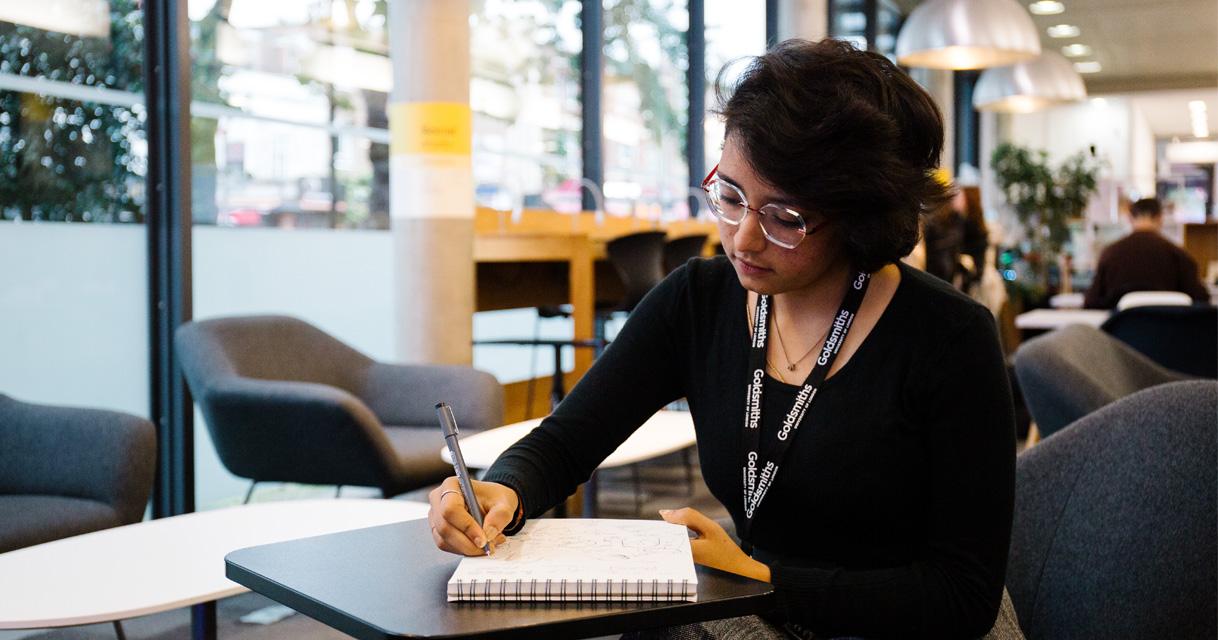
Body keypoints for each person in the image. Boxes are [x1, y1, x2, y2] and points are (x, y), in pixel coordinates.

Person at [428, 39, 1018, 639]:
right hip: (774, 603)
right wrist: (502, 488)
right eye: (730, 197)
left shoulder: (948, 338)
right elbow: (565, 441)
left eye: (784, 218)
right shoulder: (700, 301)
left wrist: (762, 577)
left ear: (860, 216)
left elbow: (962, 595)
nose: (742, 239)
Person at [1083, 197, 1209, 309]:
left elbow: (1091, 301)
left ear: (1130, 218)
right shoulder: (1178, 255)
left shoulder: (1110, 253)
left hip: (1120, 332)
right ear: (1160, 218)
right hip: (1170, 332)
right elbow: (1201, 299)